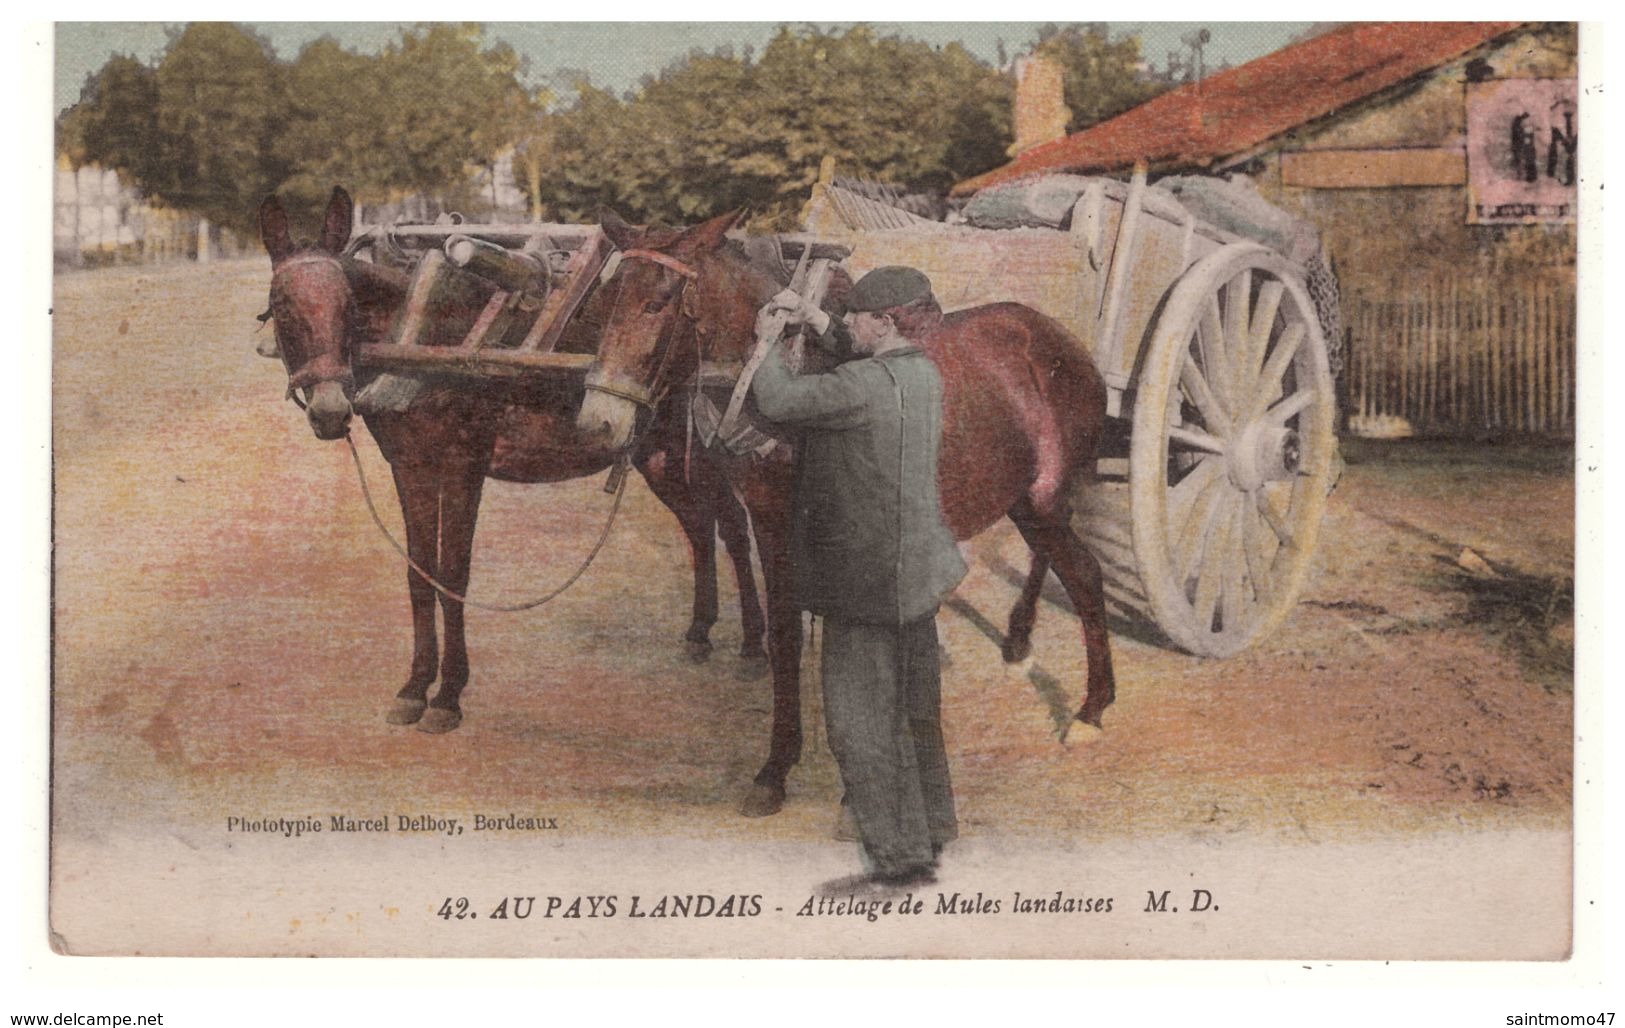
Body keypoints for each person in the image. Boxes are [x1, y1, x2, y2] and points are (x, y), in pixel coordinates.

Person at [750, 266, 967, 890]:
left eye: (853, 317)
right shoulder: (922, 374)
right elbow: (861, 355)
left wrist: (766, 340)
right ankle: (934, 827)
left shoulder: (857, 388)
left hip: (864, 584)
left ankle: (900, 865)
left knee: (859, 726)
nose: (843, 325)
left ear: (885, 321)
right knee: (917, 712)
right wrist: (817, 319)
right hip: (917, 577)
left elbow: (779, 401)